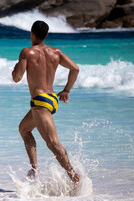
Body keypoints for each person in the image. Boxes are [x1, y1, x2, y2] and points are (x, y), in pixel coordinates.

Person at [12, 20, 80, 185]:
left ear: (31, 33)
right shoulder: (55, 52)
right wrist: (66, 90)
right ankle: (34, 169)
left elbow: (17, 78)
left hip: (39, 101)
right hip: (51, 99)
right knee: (24, 129)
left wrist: (15, 67)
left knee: (52, 142)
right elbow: (75, 69)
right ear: (46, 35)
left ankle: (73, 176)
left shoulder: (27, 52)